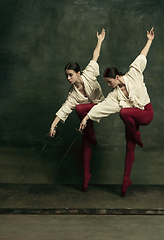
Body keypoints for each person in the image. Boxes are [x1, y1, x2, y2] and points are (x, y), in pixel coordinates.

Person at [79, 27, 154, 196]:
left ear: (117, 77)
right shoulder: (115, 96)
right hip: (132, 121)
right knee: (129, 147)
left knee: (123, 112)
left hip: (145, 113)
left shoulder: (133, 72)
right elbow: (102, 107)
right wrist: (86, 118)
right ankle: (125, 183)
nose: (108, 85)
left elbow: (142, 56)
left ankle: (136, 136)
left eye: (109, 81)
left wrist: (149, 40)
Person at [49, 29, 105, 192]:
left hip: (99, 107)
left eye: (71, 75)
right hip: (87, 117)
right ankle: (86, 177)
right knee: (85, 141)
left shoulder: (89, 73)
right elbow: (64, 109)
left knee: (80, 108)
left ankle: (91, 136)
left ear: (79, 73)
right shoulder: (72, 93)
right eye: (66, 76)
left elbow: (95, 56)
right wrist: (53, 126)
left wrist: (100, 40)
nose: (68, 79)